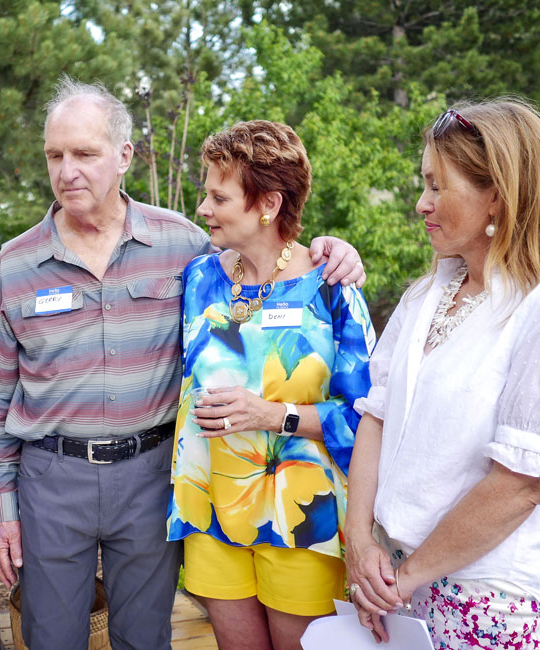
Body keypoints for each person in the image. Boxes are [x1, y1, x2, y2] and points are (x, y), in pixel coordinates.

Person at [0, 77, 366, 650]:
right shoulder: (18, 264)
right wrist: (3, 507)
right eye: (54, 155)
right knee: (49, 639)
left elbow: (273, 256)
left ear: (124, 157)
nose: (67, 171)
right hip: (58, 481)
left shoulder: (184, 246)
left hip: (158, 477)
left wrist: (335, 249)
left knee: (146, 639)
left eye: (84, 153)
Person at [345, 99, 540, 649]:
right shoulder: (426, 294)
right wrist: (359, 544)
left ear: (498, 194)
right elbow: (375, 417)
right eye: (425, 184)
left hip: (487, 602)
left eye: (438, 186)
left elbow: (521, 485)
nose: (422, 204)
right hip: (396, 588)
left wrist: (404, 577)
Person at [167, 121, 374, 650]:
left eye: (219, 196)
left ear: (268, 203)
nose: (203, 209)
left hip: (302, 517)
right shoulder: (198, 278)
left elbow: (367, 419)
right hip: (210, 508)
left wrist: (272, 415)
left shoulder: (330, 285)